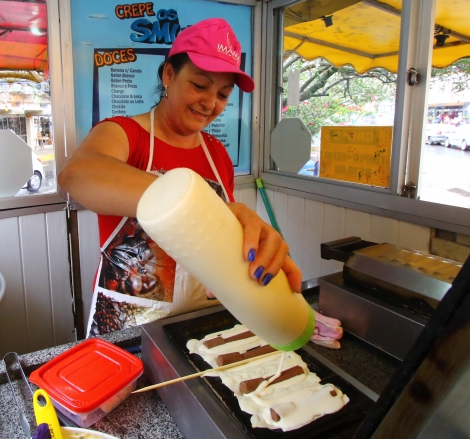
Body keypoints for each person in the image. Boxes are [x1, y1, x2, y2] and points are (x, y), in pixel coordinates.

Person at [60, 18, 314, 338]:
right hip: (126, 326)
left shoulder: (216, 152)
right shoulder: (124, 134)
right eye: (199, 85)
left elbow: (220, 244)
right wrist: (199, 208)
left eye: (223, 94)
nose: (210, 103)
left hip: (197, 325)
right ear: (169, 75)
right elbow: (77, 174)